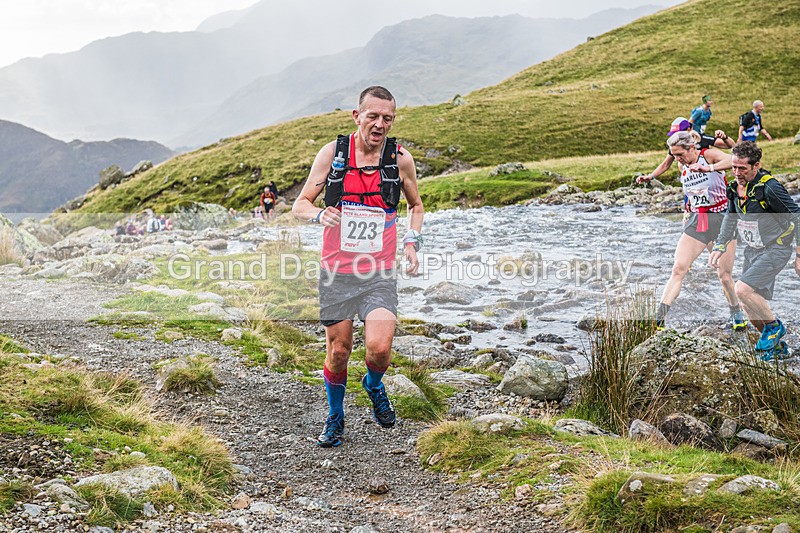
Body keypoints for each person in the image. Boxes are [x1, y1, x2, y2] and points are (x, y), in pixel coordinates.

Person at [292, 86, 424, 448]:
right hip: (336, 272)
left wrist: (412, 242)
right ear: (357, 116)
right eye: (373, 116)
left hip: (378, 272)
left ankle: (374, 383)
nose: (380, 124)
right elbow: (300, 204)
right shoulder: (334, 154)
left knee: (379, 349)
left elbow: (415, 206)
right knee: (338, 352)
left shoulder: (400, 160)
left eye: (388, 118)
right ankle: (335, 415)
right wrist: (320, 214)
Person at [709, 142, 800, 360]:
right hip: (753, 251)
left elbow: (797, 216)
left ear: (756, 165)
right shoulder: (733, 189)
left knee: (741, 290)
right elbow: (730, 220)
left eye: (742, 168)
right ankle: (778, 349)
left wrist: (799, 254)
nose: (737, 173)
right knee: (749, 304)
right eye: (733, 167)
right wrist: (720, 246)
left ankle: (774, 327)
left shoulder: (769, 188)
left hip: (776, 248)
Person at [654, 130, 744, 329]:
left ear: (692, 147)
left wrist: (709, 168)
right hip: (697, 220)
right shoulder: (682, 165)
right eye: (674, 155)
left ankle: (736, 313)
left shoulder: (708, 155)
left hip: (722, 220)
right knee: (678, 268)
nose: (677, 159)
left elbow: (735, 161)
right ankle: (659, 318)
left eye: (680, 154)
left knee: (724, 276)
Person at [637, 117, 734, 186]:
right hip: (692, 185)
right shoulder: (676, 146)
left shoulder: (702, 139)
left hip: (712, 181)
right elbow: (665, 164)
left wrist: (724, 137)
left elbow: (731, 147)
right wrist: (650, 176)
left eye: (680, 154)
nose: (676, 136)